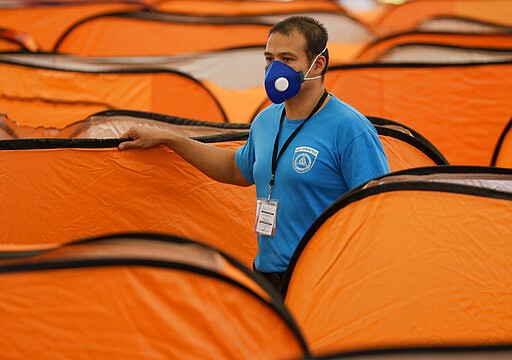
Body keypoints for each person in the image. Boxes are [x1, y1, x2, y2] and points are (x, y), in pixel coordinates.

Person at [118, 16, 390, 291]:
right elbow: (236, 169)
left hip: (324, 281)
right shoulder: (266, 121)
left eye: (286, 59)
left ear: (317, 64)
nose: (274, 69)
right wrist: (170, 138)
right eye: (269, 59)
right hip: (267, 274)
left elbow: (377, 210)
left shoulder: (349, 127)